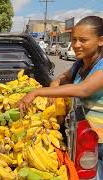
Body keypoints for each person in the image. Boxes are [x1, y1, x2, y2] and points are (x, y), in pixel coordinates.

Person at [19, 16, 103, 179]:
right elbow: (60, 79)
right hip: (85, 135)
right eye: (74, 40)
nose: (76, 45)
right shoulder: (80, 63)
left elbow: (83, 90)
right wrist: (54, 91)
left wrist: (36, 92)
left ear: (101, 41)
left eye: (83, 40)